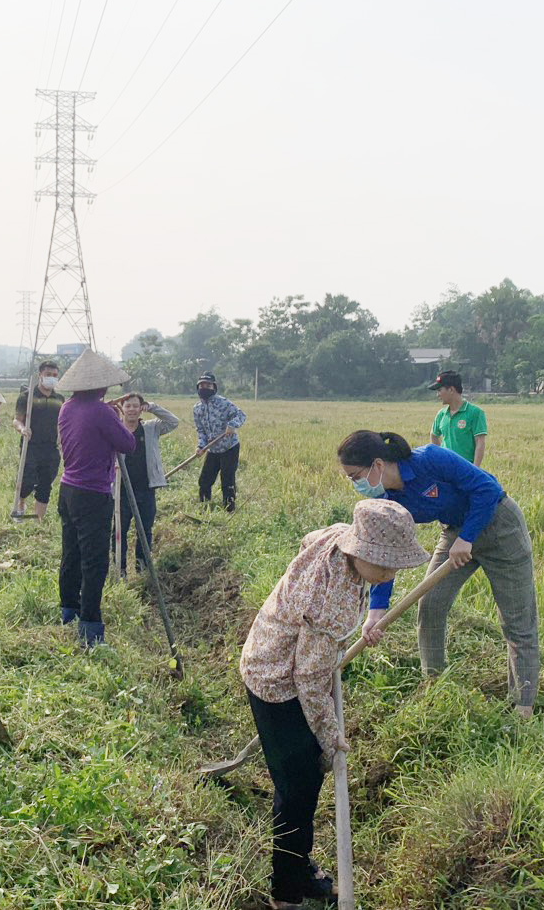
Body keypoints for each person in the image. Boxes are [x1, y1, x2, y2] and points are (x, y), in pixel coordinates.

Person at [239, 500, 431, 909]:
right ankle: (286, 892)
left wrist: (356, 623)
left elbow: (310, 537)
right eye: (385, 565)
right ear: (358, 552)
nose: (391, 574)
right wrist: (330, 735)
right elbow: (308, 680)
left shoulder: (337, 538)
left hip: (287, 656)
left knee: (304, 777)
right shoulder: (331, 600)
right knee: (298, 785)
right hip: (275, 679)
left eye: (395, 564)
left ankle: (298, 865)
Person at [337, 430, 538, 717]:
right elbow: (387, 552)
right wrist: (376, 611)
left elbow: (487, 489)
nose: (355, 484)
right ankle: (434, 684)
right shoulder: (390, 500)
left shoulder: (431, 459)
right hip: (455, 533)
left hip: (499, 527)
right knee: (430, 605)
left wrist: (468, 537)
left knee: (517, 618)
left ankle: (523, 704)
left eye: (355, 476)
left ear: (378, 465)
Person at [55, 349, 137, 647]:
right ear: (101, 387)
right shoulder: (102, 412)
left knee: (71, 553)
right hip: (93, 494)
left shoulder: (66, 408)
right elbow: (127, 443)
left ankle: (68, 611)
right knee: (95, 561)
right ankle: (90, 629)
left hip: (68, 490)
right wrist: (114, 417)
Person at [111, 392, 180, 575]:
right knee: (119, 529)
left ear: (141, 409)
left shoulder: (150, 428)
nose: (132, 409)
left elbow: (173, 422)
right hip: (121, 490)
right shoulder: (116, 430)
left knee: (144, 529)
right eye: (128, 406)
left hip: (145, 489)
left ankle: (143, 568)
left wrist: (153, 406)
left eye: (136, 405)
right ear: (122, 409)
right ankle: (120, 568)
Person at [13, 361, 65, 519]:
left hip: (51, 448)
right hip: (31, 446)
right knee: (27, 479)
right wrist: (22, 429)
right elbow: (16, 420)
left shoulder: (60, 399)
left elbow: (62, 423)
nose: (51, 378)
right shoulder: (27, 397)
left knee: (45, 483)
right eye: (48, 375)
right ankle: (20, 504)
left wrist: (63, 441)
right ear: (40, 375)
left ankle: (38, 521)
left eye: (55, 375)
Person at [192, 373, 246, 511]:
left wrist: (232, 425)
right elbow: (201, 431)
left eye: (208, 385)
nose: (205, 388)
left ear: (214, 387)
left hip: (229, 447)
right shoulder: (197, 408)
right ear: (198, 387)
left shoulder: (224, 403)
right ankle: (205, 506)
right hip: (213, 449)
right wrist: (200, 446)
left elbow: (241, 415)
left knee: (227, 479)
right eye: (202, 385)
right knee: (204, 480)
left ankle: (229, 508)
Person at [429, 370, 488, 467]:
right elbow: (434, 435)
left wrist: (475, 470)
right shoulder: (441, 414)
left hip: (466, 469)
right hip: (446, 469)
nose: (438, 395)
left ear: (451, 390)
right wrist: (440, 458)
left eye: (440, 390)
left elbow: (480, 442)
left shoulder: (475, 412)